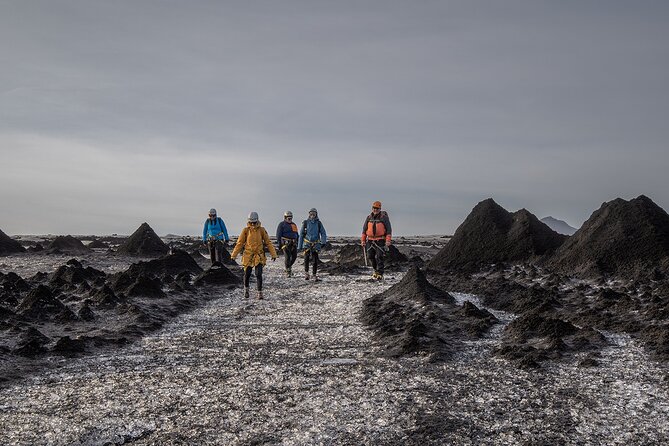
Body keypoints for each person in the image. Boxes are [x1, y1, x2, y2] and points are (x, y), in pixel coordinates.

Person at [230, 211, 277, 299]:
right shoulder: (245, 230)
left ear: (257, 221)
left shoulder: (262, 230)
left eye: (254, 222)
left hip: (259, 256)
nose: (252, 224)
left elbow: (268, 243)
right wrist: (233, 255)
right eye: (251, 222)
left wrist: (273, 254)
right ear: (249, 221)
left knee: (258, 274)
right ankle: (246, 290)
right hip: (248, 256)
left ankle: (259, 293)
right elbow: (239, 243)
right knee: (247, 274)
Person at [361, 201, 392, 280]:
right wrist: (363, 240)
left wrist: (388, 240)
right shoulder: (368, 218)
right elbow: (364, 230)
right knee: (370, 256)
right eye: (374, 208)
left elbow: (388, 230)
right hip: (370, 240)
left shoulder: (384, 218)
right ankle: (375, 270)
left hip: (380, 240)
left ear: (380, 209)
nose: (375, 210)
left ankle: (380, 273)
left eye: (377, 208)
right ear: (372, 208)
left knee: (379, 256)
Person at [298, 208, 327, 281]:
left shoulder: (319, 223)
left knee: (315, 260)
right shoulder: (305, 223)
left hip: (316, 244)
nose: (312, 215)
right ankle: (306, 273)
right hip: (307, 244)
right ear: (309, 214)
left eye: (314, 213)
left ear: (316, 214)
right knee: (306, 259)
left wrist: (323, 242)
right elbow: (301, 234)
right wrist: (299, 246)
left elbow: (323, 233)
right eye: (311, 213)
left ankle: (314, 274)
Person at [276, 211, 299, 277]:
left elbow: (296, 234)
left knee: (294, 257)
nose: (290, 220)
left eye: (291, 218)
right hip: (285, 243)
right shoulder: (281, 224)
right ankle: (288, 271)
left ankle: (288, 267)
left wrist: (298, 241)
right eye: (288, 218)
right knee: (288, 257)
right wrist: (279, 244)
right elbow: (278, 235)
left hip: (293, 243)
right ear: (285, 218)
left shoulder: (293, 224)